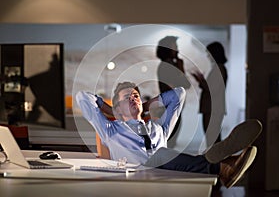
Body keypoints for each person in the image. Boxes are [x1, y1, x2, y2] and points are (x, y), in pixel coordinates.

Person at [76, 81, 262, 188]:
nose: (133, 98)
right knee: (161, 155)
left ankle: (222, 166)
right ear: (117, 107)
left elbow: (179, 94)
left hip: (165, 174)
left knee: (163, 154)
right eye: (127, 98)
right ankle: (222, 166)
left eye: (136, 96)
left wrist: (148, 105)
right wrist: (110, 110)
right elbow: (82, 97)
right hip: (135, 176)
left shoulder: (159, 128)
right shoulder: (111, 130)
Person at [191, 41, 228, 146]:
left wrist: (201, 81)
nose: (208, 56)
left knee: (212, 138)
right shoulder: (219, 68)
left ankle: (215, 161)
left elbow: (213, 89)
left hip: (212, 108)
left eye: (209, 53)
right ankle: (215, 161)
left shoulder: (219, 69)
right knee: (212, 137)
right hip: (212, 107)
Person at [156, 36, 191, 139]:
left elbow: (186, 85)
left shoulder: (170, 65)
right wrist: (181, 67)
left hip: (173, 105)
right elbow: (184, 84)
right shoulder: (167, 66)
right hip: (170, 105)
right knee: (170, 139)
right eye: (175, 46)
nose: (177, 49)